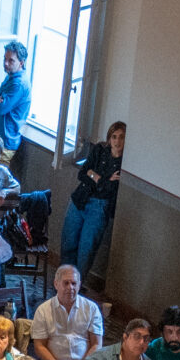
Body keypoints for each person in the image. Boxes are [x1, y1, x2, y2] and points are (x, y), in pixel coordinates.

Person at [61, 119, 125, 277]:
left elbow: (109, 189)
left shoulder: (123, 164)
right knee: (68, 242)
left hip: (99, 206)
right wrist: (101, 178)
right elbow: (83, 173)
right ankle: (63, 281)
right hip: (80, 199)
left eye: (121, 137)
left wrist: (95, 175)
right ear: (109, 138)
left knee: (86, 248)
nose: (117, 141)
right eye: (114, 136)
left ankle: (77, 284)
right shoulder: (99, 150)